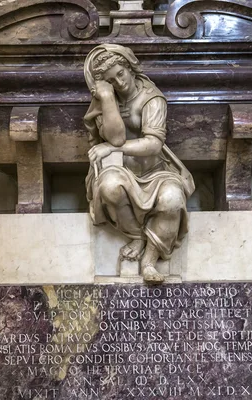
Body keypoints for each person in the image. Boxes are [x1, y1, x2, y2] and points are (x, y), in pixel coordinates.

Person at [83, 44, 195, 283]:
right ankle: (137, 236)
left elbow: (153, 144)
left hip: (157, 171)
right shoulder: (106, 101)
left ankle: (149, 261)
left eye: (121, 73)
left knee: (172, 199)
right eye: (111, 80)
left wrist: (112, 148)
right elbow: (117, 137)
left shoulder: (152, 98)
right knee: (110, 186)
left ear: (130, 68)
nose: (119, 82)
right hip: (119, 170)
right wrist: (106, 98)